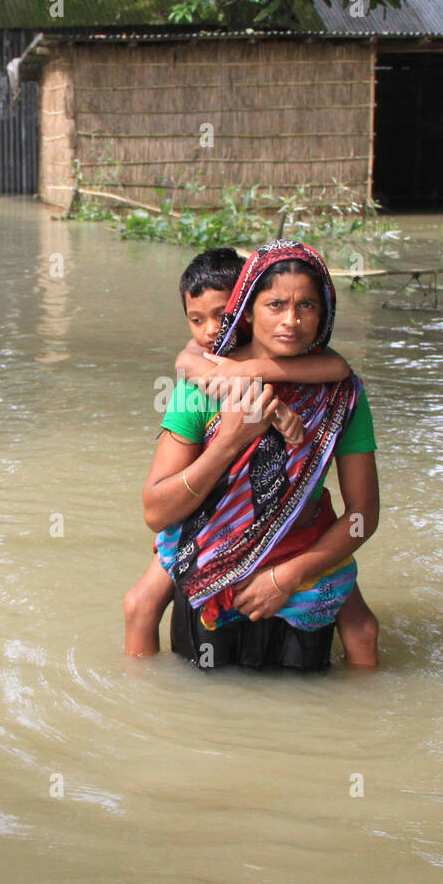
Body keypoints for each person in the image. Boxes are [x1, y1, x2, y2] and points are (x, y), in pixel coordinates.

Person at [142, 240, 380, 672]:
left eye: (307, 305)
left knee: (344, 655)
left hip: (300, 566)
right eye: (275, 304)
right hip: (210, 563)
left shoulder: (342, 397)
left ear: (324, 313)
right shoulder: (203, 387)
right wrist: (231, 440)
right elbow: (156, 512)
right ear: (248, 311)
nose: (292, 320)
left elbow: (364, 514)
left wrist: (285, 577)